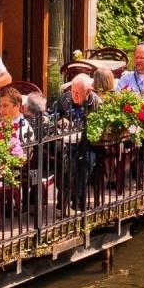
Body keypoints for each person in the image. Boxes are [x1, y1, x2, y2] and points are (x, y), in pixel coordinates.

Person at [49, 73, 101, 210]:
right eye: (72, 91)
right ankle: (66, 200)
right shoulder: (64, 99)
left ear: (88, 92)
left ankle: (79, 203)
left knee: (84, 164)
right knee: (66, 164)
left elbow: (102, 126)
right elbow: (48, 116)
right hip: (67, 144)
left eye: (78, 93)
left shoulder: (96, 103)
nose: (74, 95)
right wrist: (59, 120)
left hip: (89, 144)